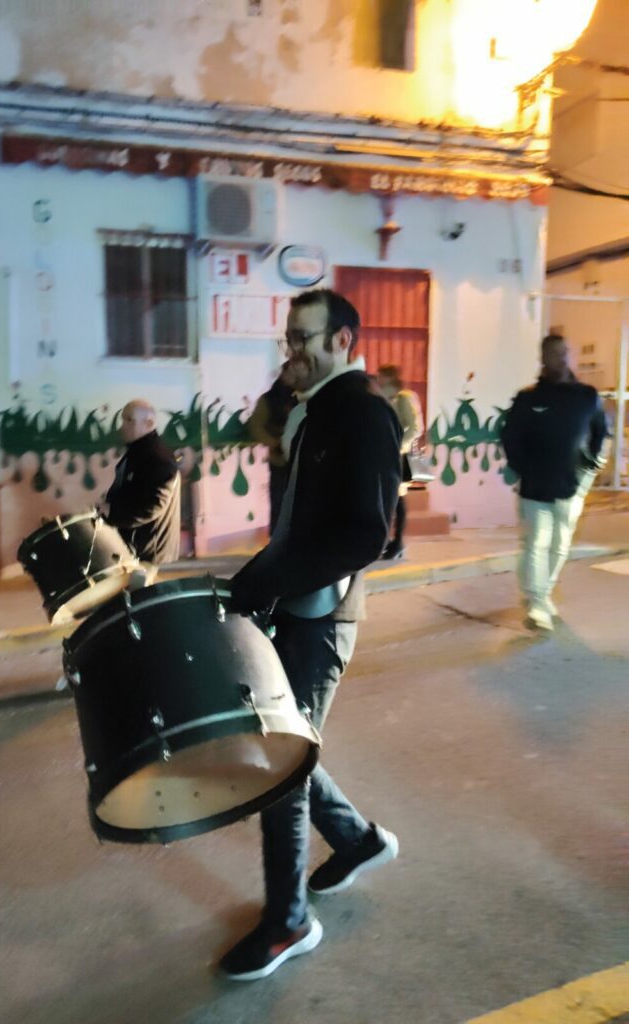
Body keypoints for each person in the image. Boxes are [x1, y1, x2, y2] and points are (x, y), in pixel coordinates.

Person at [221, 288, 403, 981]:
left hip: (322, 618)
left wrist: (267, 581)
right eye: (288, 338)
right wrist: (258, 578)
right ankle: (356, 841)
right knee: (283, 743)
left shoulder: (363, 414)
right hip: (293, 606)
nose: (290, 350)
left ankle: (289, 921)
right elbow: (297, 515)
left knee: (281, 762)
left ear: (343, 341)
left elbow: (365, 535)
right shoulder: (315, 409)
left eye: (303, 338)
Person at [501, 333, 609, 632]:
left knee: (560, 546)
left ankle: (543, 593)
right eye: (553, 353)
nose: (560, 358)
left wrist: (590, 465)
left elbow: (600, 431)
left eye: (565, 352)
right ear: (543, 358)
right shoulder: (528, 398)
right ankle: (536, 603)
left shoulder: (587, 396)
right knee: (536, 543)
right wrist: (523, 469)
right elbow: (510, 438)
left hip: (572, 487)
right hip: (535, 486)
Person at [104, 399, 181, 566]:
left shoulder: (158, 458)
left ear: (149, 423)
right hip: (138, 547)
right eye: (123, 420)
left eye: (129, 420)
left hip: (148, 553)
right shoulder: (139, 452)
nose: (122, 427)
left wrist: (112, 513)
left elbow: (153, 505)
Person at [377, 365, 424, 560]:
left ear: (389, 377)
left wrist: (399, 446)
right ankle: (389, 541)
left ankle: (398, 542)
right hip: (385, 454)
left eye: (381, 376)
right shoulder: (384, 397)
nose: (378, 379)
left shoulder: (403, 397)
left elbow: (415, 427)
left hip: (397, 455)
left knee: (397, 499)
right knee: (389, 498)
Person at [246, 362, 298, 534]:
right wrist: (275, 443)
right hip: (279, 459)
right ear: (283, 374)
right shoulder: (268, 399)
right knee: (279, 501)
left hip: (301, 460)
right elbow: (256, 426)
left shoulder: (304, 396)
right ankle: (277, 538)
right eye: (291, 372)